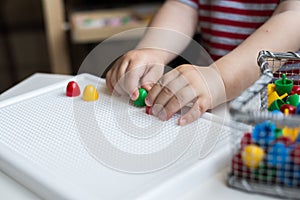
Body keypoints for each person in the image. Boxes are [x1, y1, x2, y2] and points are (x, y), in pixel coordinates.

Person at [105, 0, 300, 126]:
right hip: (210, 103)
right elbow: (181, 6)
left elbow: (293, 18)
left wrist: (220, 78)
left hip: (283, 108)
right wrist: (153, 50)